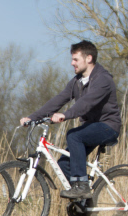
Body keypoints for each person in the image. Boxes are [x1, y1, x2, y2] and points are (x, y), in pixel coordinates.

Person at [21, 40, 121, 200]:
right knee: (64, 164)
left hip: (108, 126)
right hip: (91, 127)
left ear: (88, 58)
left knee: (74, 135)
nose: (71, 63)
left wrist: (65, 115)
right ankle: (83, 207)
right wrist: (33, 117)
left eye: (75, 59)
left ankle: (81, 185)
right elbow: (59, 99)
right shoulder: (77, 81)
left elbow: (86, 103)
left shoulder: (103, 80)